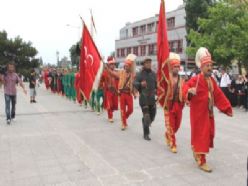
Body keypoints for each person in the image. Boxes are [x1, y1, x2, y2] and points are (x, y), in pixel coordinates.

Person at [183, 47, 233, 172]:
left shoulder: (211, 80)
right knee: (202, 135)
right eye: (207, 65)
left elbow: (218, 94)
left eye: (211, 65)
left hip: (209, 113)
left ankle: (196, 150)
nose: (210, 68)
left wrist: (227, 107)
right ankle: (201, 161)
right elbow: (184, 88)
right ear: (201, 67)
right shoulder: (196, 79)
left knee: (210, 134)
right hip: (198, 114)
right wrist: (189, 91)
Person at [106, 54, 136, 130]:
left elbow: (133, 85)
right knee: (122, 109)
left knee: (130, 110)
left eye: (128, 66)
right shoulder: (121, 73)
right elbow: (113, 74)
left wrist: (134, 93)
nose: (126, 67)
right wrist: (107, 69)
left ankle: (124, 118)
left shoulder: (132, 75)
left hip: (129, 94)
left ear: (130, 67)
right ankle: (123, 123)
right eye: (125, 65)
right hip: (122, 94)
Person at [163, 53, 185, 153]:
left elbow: (184, 91)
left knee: (177, 125)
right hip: (170, 105)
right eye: (175, 67)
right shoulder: (167, 78)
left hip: (179, 105)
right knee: (171, 125)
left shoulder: (182, 79)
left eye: (178, 66)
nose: (177, 68)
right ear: (171, 67)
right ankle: (173, 144)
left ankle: (168, 134)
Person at [134, 58, 157, 141]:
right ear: (143, 64)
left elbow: (157, 85)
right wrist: (140, 84)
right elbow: (135, 83)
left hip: (152, 99)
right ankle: (146, 134)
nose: (148, 64)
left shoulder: (154, 74)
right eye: (147, 63)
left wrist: (158, 91)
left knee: (152, 116)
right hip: (143, 99)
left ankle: (145, 121)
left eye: (150, 63)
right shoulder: (140, 74)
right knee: (147, 116)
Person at [103, 56, 119, 123]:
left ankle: (110, 111)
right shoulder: (105, 72)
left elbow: (117, 77)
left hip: (115, 91)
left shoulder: (116, 72)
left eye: (113, 64)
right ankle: (110, 117)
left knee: (115, 105)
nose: (113, 65)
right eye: (111, 64)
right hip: (108, 91)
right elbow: (101, 80)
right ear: (109, 65)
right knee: (110, 104)